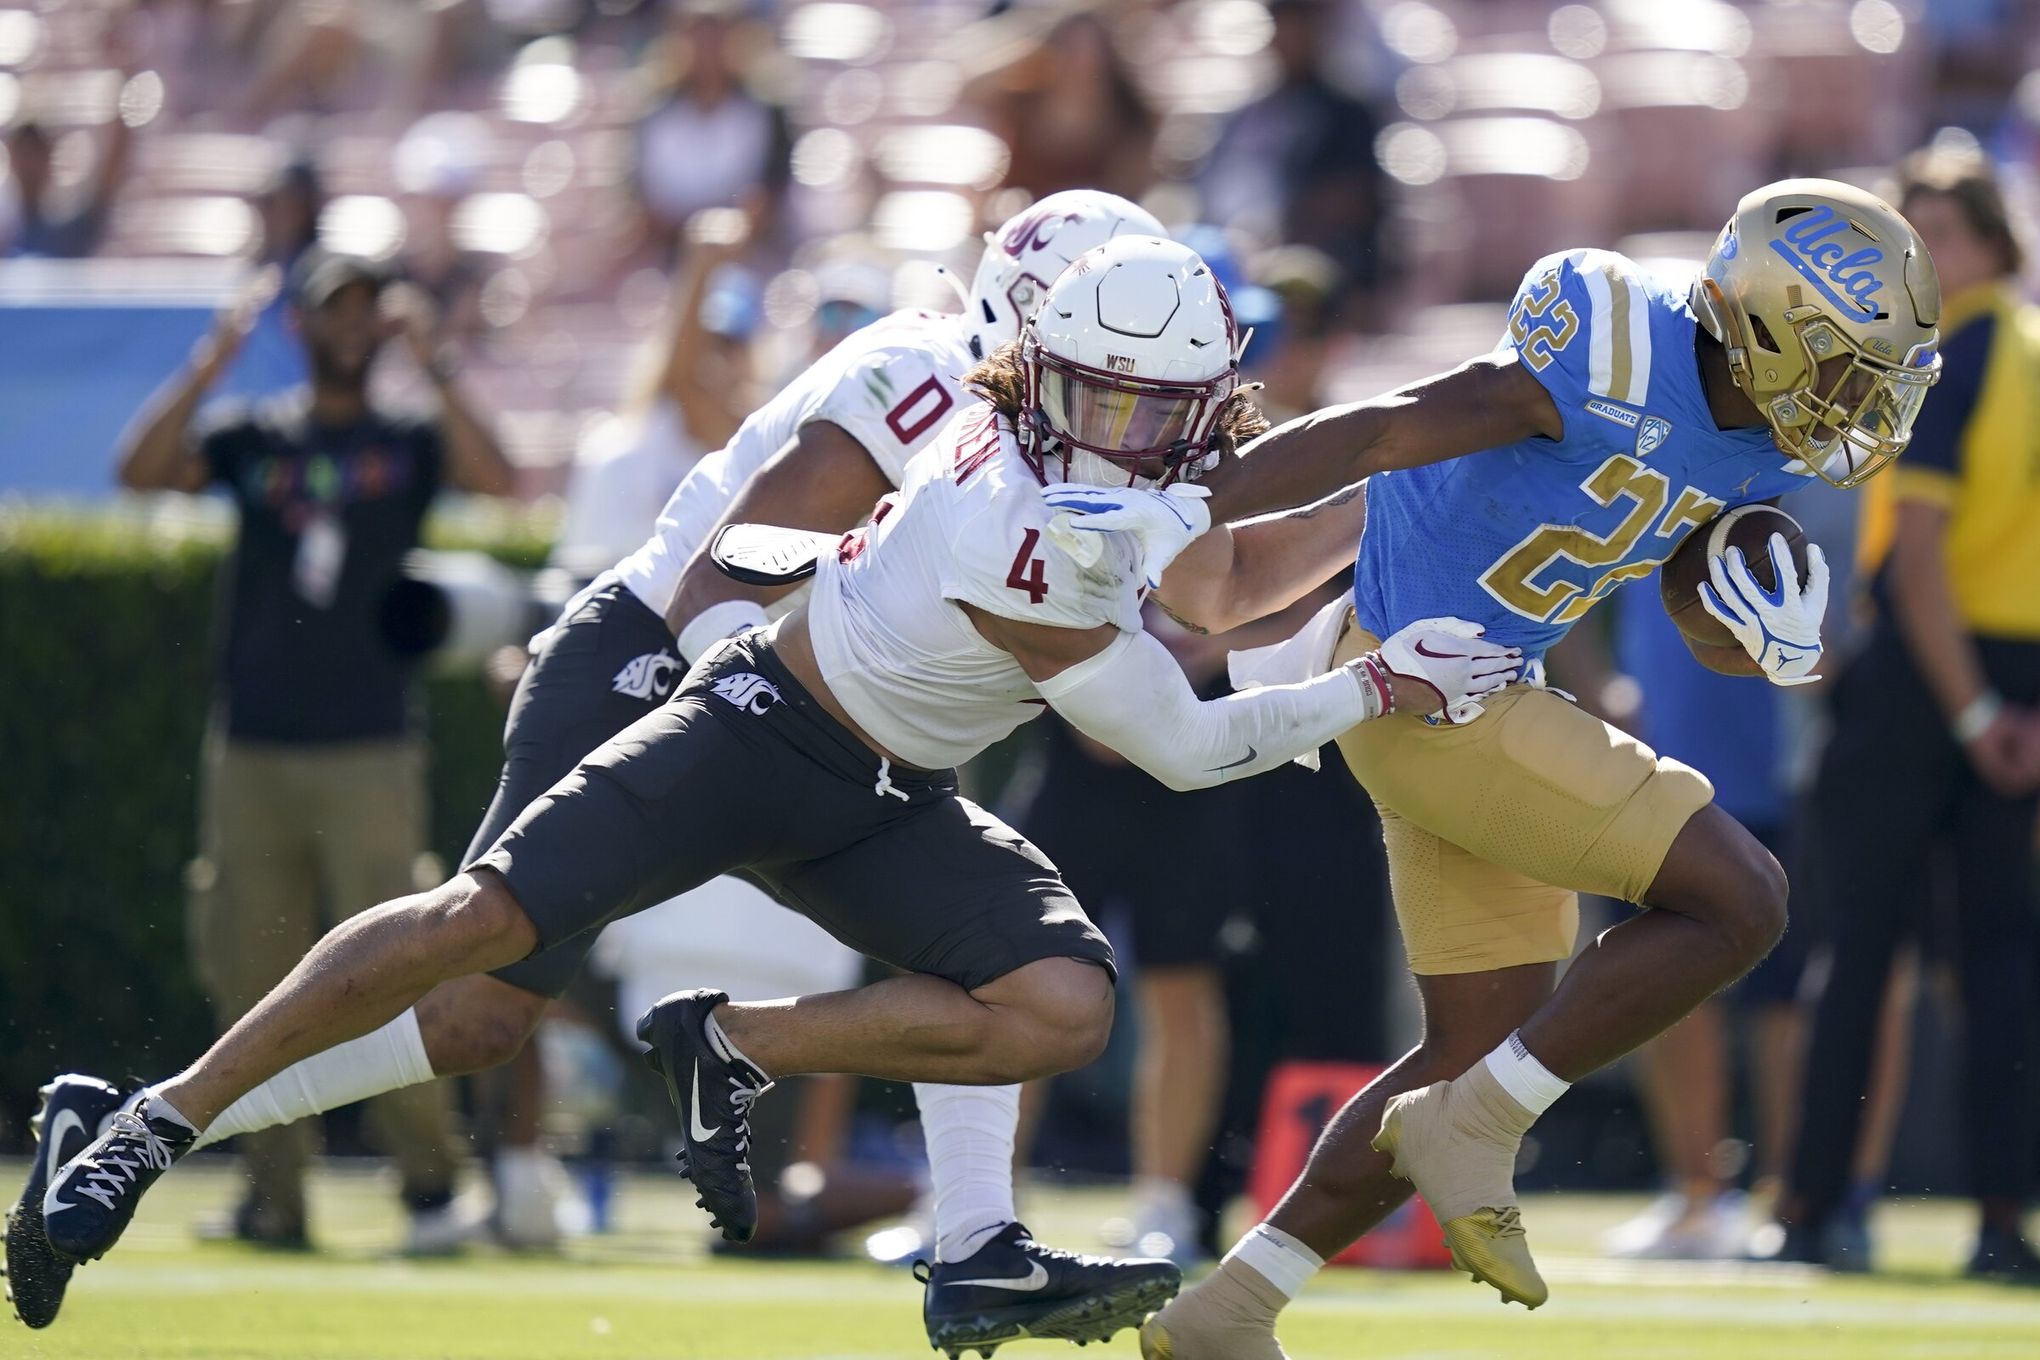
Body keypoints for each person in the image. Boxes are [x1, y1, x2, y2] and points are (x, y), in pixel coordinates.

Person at [24, 237, 1520, 1358]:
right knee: (483, 948)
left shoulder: (1092, 468)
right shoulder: (1015, 499)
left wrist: (1485, 432)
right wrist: (1379, 686)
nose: (1141, 432)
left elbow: (1257, 534)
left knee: (1060, 1002)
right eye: (1109, 400)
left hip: (877, 779)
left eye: (1165, 405)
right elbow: (1184, 737)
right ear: (1029, 354)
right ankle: (152, 1124)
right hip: (733, 703)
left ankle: (779, 1087)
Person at [1041, 179, 1943, 1358]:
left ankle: (1233, 1306)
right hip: (1423, 683)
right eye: (1843, 364)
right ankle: (1480, 1129)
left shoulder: (1762, 428)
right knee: (1743, 899)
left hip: (1481, 692)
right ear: (1769, 322)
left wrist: (1750, 619)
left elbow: (1685, 585)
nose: (1856, 399)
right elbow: (1388, 425)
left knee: (1473, 1044)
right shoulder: (1615, 337)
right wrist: (1180, 500)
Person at [50, 252, 506, 1274]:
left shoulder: (406, 435)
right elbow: (138, 471)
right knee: (255, 977)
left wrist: (434, 360)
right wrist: (211, 359)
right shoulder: (256, 435)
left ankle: (431, 1182)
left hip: (370, 746)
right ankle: (275, 1196)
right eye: (331, 310)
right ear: (301, 325)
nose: (349, 325)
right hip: (252, 743)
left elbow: (501, 477)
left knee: (393, 972)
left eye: (363, 309)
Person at [1770, 146, 2040, 1280]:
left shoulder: (1956, 354)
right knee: (2002, 961)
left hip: (1939, 690)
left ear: (1991, 243)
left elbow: (1917, 560)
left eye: (1943, 235)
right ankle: (1998, 1220)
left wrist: (1976, 711)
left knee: (1865, 952)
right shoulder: (2017, 351)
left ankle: (1814, 1205)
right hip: (2011, 685)